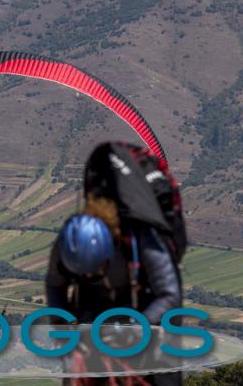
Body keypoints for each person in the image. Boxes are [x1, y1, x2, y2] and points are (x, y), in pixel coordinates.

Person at [45, 142, 184, 386]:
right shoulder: (70, 239)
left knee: (162, 371)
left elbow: (170, 295)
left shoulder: (142, 238)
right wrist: (63, 326)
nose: (90, 276)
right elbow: (55, 284)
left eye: (95, 270)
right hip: (95, 316)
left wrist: (135, 328)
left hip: (144, 310)